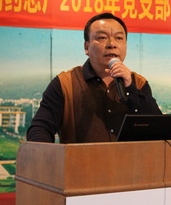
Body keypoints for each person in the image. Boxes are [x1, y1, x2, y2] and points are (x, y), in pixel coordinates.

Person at [26, 13, 162, 143]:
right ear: (87, 47)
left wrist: (131, 89)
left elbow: (159, 129)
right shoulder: (65, 83)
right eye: (102, 38)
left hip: (130, 160)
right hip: (80, 160)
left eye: (119, 38)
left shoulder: (138, 83)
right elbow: (40, 128)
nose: (112, 44)